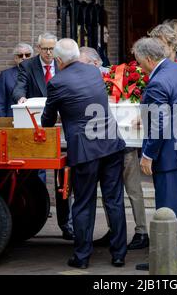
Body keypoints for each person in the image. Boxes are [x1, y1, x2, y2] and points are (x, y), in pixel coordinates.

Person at [41, 38, 127, 269]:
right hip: (111, 144)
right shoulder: (94, 72)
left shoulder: (57, 82)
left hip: (85, 150)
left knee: (83, 203)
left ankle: (82, 256)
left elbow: (48, 119)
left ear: (58, 60)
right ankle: (119, 254)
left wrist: (59, 117)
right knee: (114, 201)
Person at [133, 37, 177, 270]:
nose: (138, 67)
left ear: (148, 59)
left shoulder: (157, 82)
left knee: (167, 208)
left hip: (170, 155)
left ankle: (166, 258)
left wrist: (147, 155)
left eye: (138, 61)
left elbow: (158, 124)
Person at [79, 46, 149, 250]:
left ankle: (142, 231)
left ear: (96, 63)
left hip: (125, 144)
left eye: (84, 64)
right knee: (110, 193)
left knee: (133, 189)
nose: (80, 68)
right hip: (102, 146)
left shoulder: (119, 77)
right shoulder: (85, 82)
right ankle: (113, 231)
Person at [12, 32, 74, 240]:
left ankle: (66, 224)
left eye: (52, 49)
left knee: (63, 179)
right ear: (38, 48)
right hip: (37, 128)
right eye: (45, 49)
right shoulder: (28, 66)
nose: (49, 53)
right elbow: (19, 87)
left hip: (62, 128)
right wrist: (20, 97)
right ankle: (28, 215)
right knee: (30, 177)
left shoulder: (63, 63)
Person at [0, 43, 34, 117]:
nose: (24, 57)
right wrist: (2, 122)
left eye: (27, 55)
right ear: (15, 58)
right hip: (12, 118)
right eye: (20, 55)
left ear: (32, 57)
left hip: (34, 117)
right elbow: (0, 102)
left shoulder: (37, 73)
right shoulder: (5, 75)